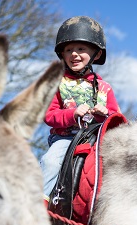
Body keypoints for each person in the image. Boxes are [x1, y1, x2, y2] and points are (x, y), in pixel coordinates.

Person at [40, 16, 121, 202]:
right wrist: (71, 114)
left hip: (98, 141)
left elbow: (117, 119)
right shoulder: (58, 83)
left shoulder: (105, 88)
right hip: (65, 138)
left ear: (97, 54)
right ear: (62, 54)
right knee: (50, 161)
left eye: (81, 49)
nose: (74, 54)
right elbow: (49, 115)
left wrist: (105, 115)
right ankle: (39, 207)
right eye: (68, 50)